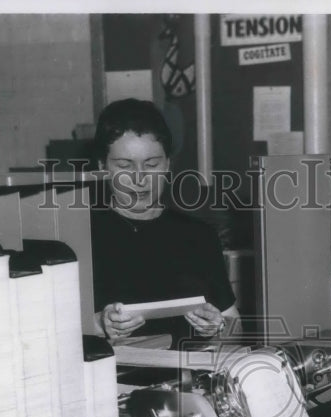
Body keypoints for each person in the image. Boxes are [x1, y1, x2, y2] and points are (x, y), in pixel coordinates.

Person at [90, 98, 238, 347]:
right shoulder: (83, 235)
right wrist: (98, 324)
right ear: (102, 167)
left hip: (186, 369)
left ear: (168, 164)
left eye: (151, 165)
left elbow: (234, 324)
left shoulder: (198, 235)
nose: (139, 179)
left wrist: (219, 327)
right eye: (125, 166)